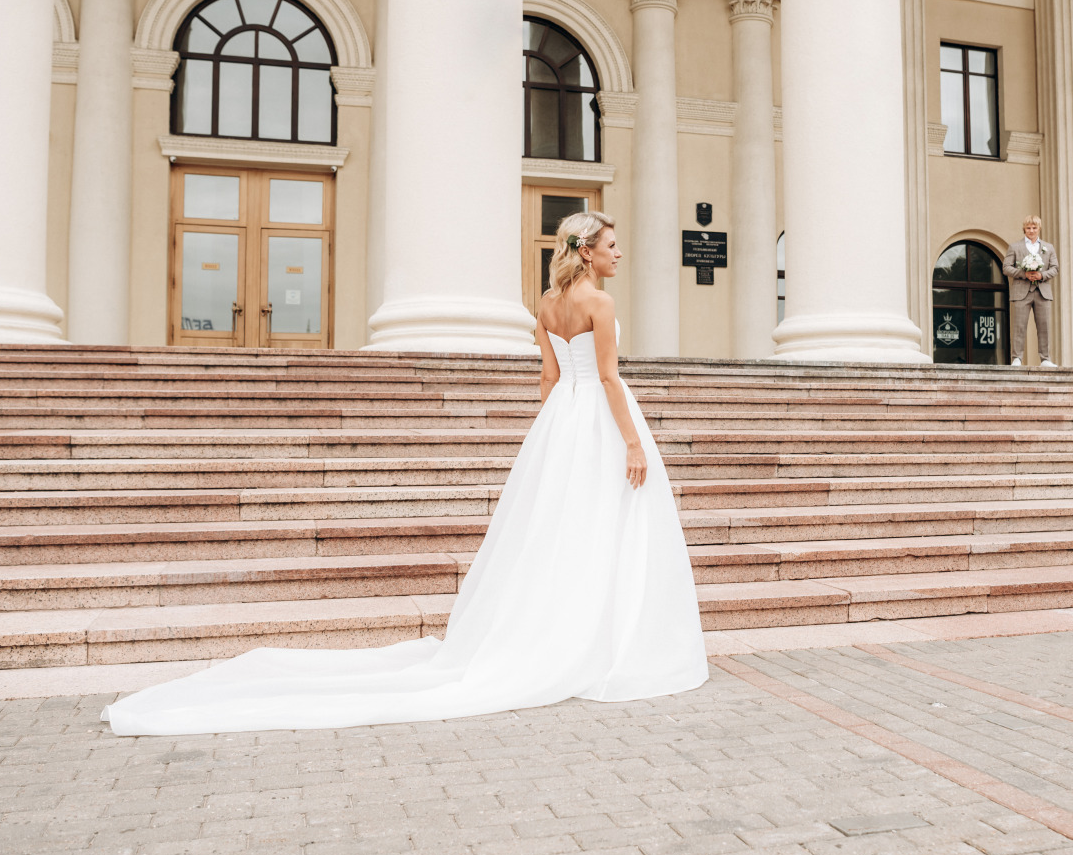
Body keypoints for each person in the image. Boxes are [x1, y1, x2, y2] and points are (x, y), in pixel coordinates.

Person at [103, 212, 708, 735]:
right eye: (610, 245)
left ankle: (564, 630)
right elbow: (606, 379)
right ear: (585, 251)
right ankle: (602, 640)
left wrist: (547, 442)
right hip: (600, 419)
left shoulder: (547, 304)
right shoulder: (598, 303)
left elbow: (548, 380)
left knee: (557, 530)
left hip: (560, 422)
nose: (618, 253)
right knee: (604, 528)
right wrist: (632, 443)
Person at [1003, 215, 1059, 367]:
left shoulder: (1049, 247)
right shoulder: (1015, 247)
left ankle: (1045, 359)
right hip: (1022, 291)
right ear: (1024, 229)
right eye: (1028, 228)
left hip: (1042, 291)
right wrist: (1023, 273)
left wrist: (1042, 275)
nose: (1031, 231)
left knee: (1044, 326)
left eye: (1034, 228)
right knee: (1019, 326)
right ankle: (1017, 359)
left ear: (1039, 228)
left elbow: (1055, 268)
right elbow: (1006, 267)